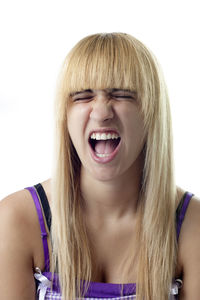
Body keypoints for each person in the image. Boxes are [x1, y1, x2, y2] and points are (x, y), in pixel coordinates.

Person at [0, 32, 200, 300]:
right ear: (65, 117)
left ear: (151, 112)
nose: (102, 112)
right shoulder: (16, 220)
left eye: (122, 94)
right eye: (83, 96)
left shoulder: (192, 225)